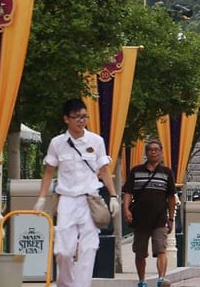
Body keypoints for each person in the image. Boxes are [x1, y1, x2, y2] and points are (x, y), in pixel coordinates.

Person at [34, 99, 120, 287]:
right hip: (66, 200)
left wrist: (113, 196)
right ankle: (66, 283)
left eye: (84, 117)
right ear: (66, 119)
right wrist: (41, 198)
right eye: (77, 117)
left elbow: (104, 170)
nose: (81, 121)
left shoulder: (96, 141)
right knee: (64, 251)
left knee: (89, 248)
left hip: (90, 199)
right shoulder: (57, 143)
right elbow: (48, 172)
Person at [122, 138, 177, 287]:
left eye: (156, 150)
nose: (153, 152)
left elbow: (171, 197)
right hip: (140, 219)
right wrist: (126, 209)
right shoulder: (136, 171)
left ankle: (161, 279)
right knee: (140, 252)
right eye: (150, 150)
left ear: (161, 153)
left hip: (159, 218)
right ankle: (142, 281)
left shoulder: (167, 172)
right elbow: (128, 193)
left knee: (161, 249)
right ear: (146, 153)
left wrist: (171, 218)